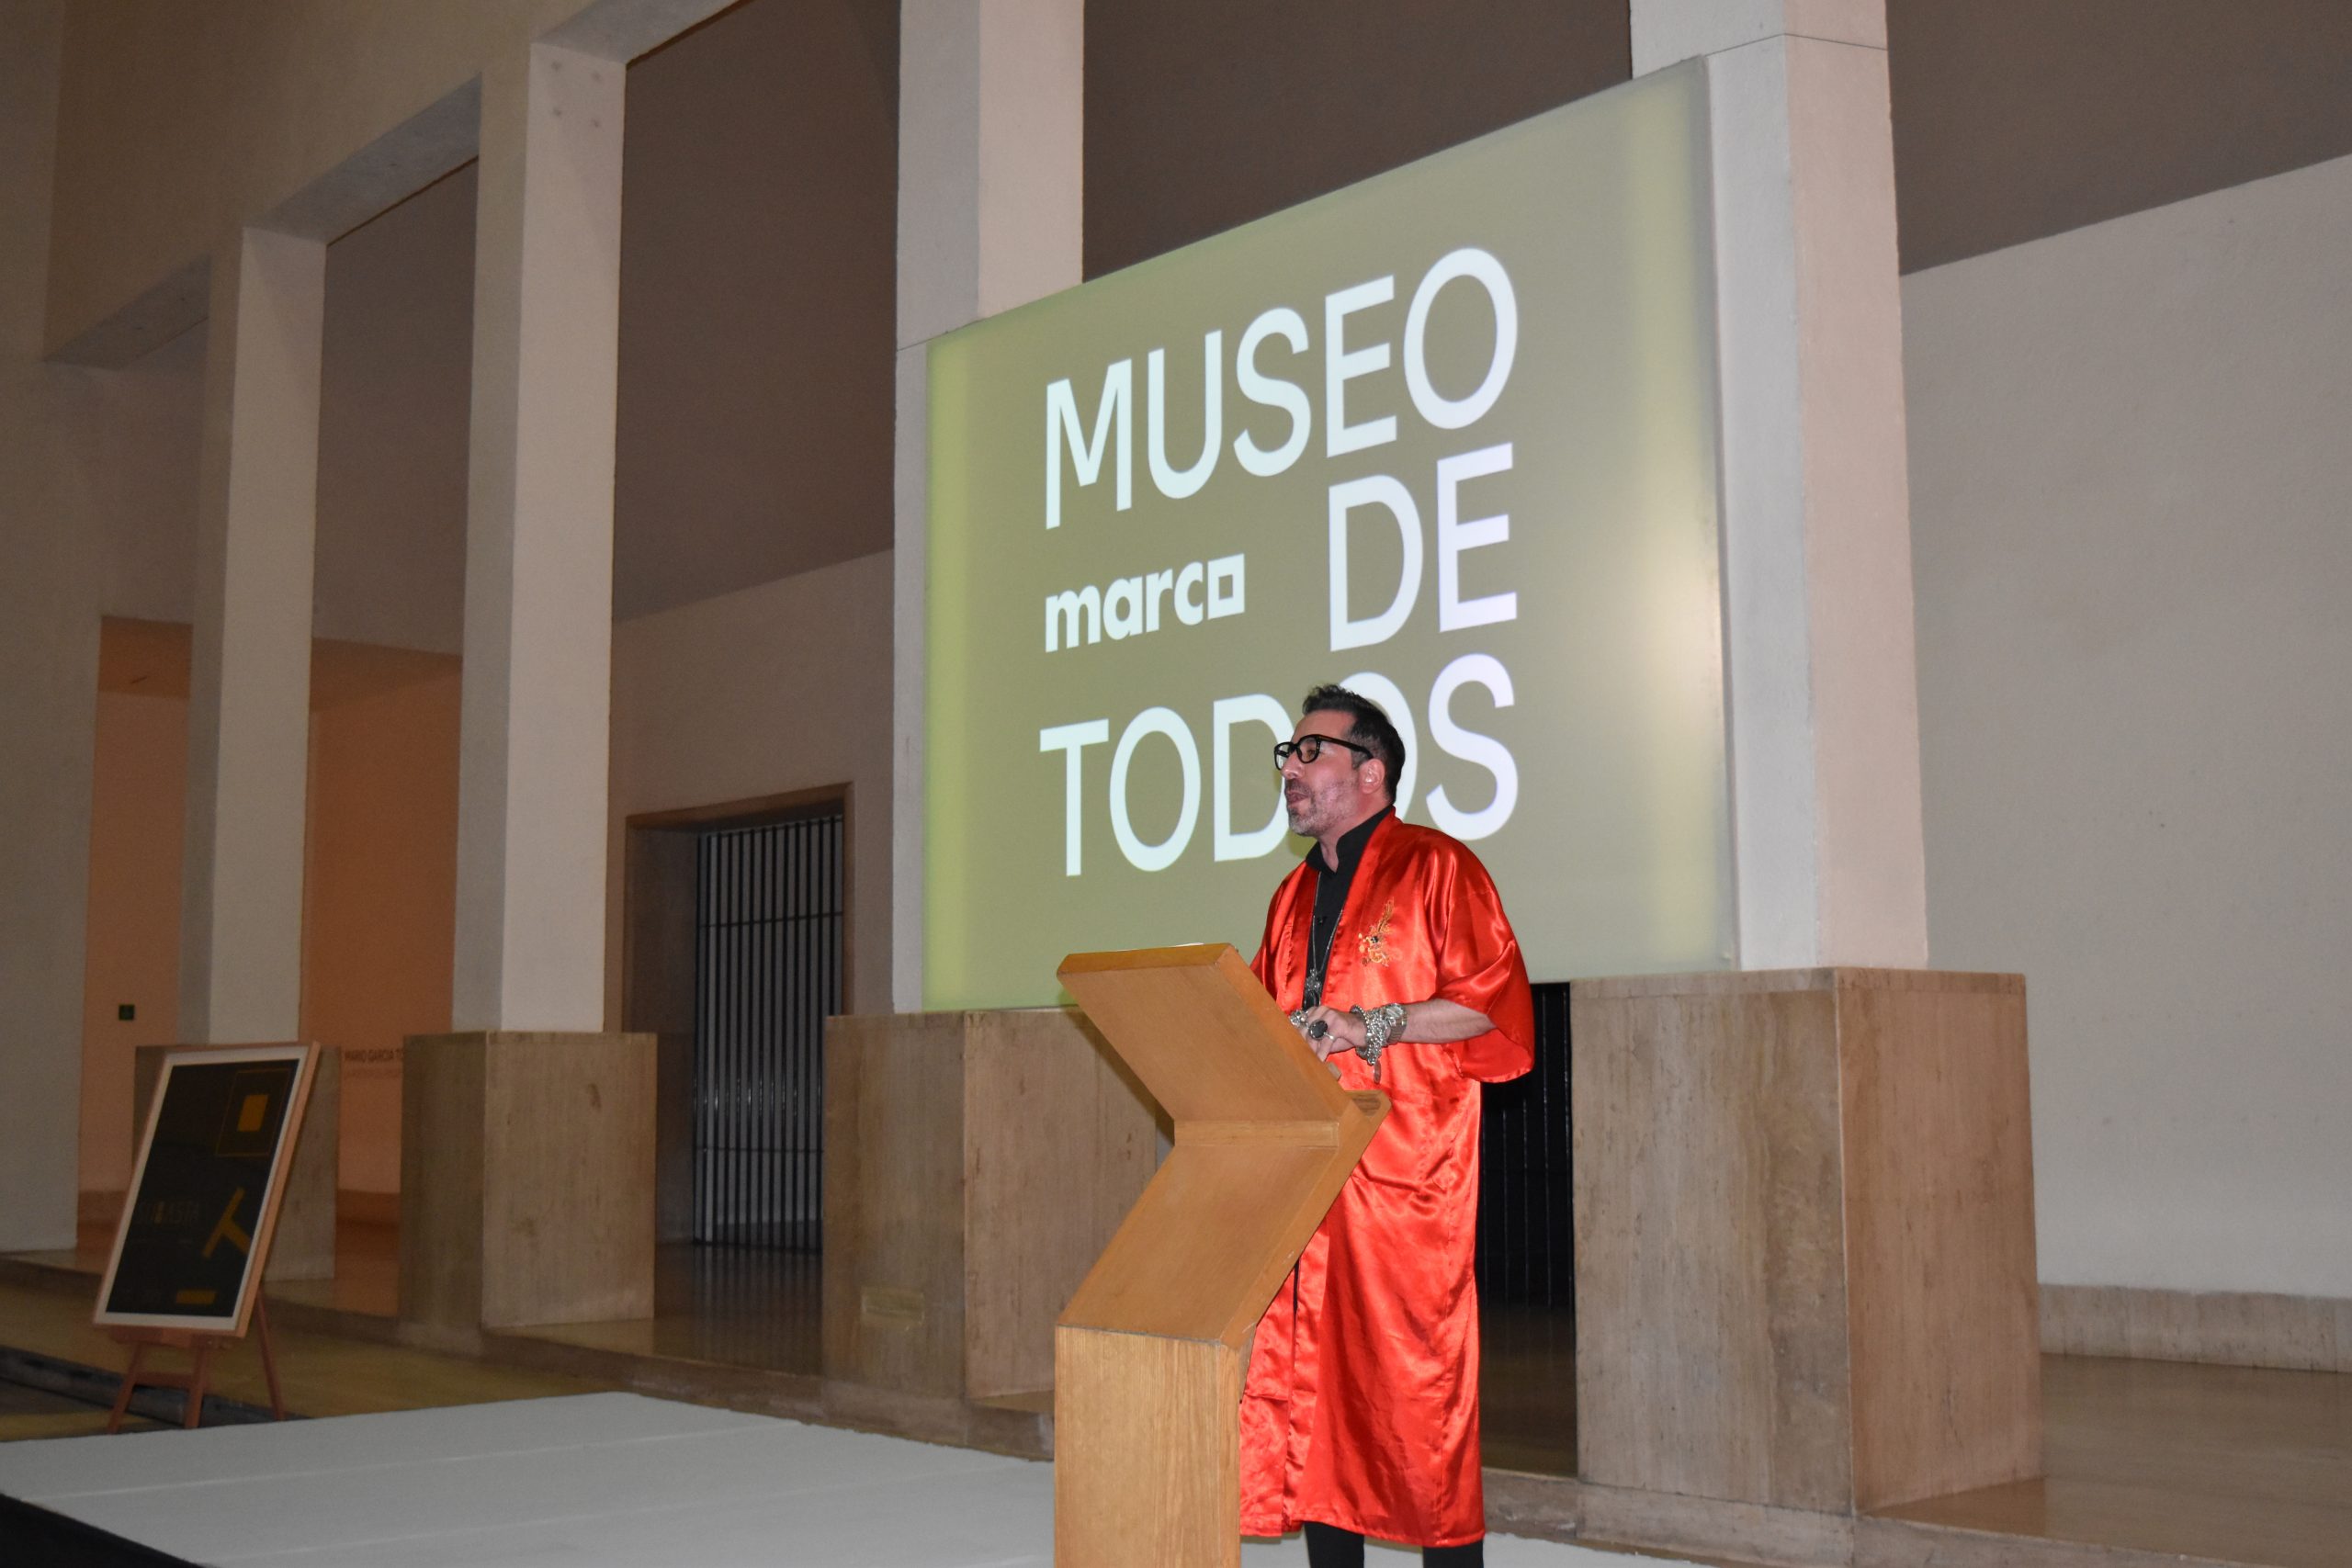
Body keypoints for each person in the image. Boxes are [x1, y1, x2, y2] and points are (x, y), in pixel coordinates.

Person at [1242, 683, 1535, 1567]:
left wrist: (1371, 1024)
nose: (1290, 770)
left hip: (1406, 1185)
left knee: (1418, 1401)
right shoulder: (1291, 895)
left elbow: (1492, 1007)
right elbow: (1259, 1022)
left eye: (1311, 752)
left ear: (1371, 771)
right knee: (1319, 1397)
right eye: (1287, 755)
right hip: (1311, 1185)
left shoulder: (1437, 867)